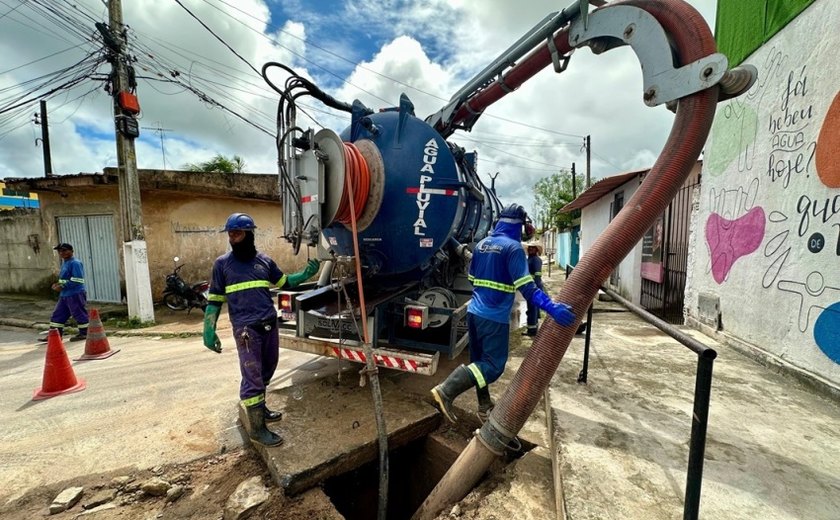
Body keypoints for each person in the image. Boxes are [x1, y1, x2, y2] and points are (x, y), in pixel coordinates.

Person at [431, 204, 576, 423]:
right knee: (493, 367)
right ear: (519, 226)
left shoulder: (481, 245)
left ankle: (483, 404)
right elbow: (528, 289)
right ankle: (446, 391)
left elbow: (472, 278)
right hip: (493, 318)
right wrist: (552, 308)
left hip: (474, 313)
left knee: (479, 362)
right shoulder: (513, 248)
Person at [202, 213, 319, 447]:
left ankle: (260, 409)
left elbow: (285, 282)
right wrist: (208, 329)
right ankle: (257, 430)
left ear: (249, 234)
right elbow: (214, 300)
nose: (233, 238)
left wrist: (306, 274)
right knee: (253, 377)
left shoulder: (264, 261)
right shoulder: (222, 264)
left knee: (267, 369)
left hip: (268, 324)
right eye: (230, 234)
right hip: (246, 331)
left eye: (237, 233)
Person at [49, 243, 89, 342]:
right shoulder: (65, 263)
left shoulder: (75, 263)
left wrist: (62, 286)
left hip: (75, 294)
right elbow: (65, 279)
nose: (62, 253)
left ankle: (85, 333)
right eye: (60, 251)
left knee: (78, 313)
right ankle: (55, 336)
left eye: (64, 250)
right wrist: (57, 284)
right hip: (65, 295)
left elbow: (78, 279)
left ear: (71, 251)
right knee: (58, 314)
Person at [523, 241, 544, 336]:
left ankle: (531, 330)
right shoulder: (530, 259)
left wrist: (535, 288)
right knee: (533, 308)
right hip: (530, 286)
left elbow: (537, 275)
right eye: (529, 247)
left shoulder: (535, 260)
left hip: (533, 287)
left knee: (532, 309)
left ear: (536, 249)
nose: (530, 249)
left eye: (533, 247)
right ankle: (534, 327)